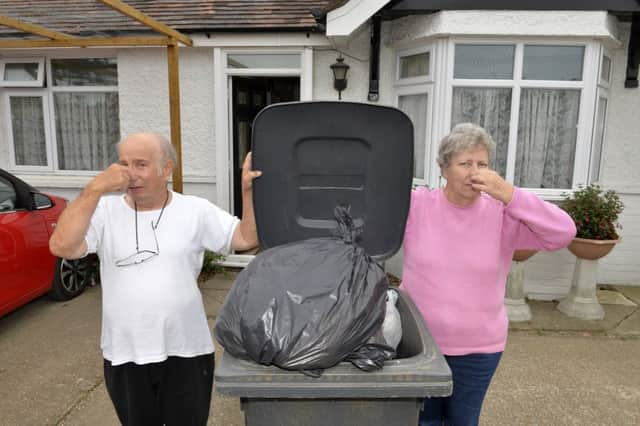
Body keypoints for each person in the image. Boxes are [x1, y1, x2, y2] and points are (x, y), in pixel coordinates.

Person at [49, 132, 261, 426]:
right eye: (123, 164)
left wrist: (248, 192)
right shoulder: (104, 212)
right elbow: (62, 247)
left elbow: (246, 238)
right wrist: (94, 189)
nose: (129, 174)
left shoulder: (195, 210)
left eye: (141, 164)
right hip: (125, 352)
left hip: (186, 350)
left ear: (166, 169)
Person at [400, 123, 576, 426]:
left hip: (478, 349)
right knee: (421, 423)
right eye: (464, 163)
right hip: (420, 346)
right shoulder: (417, 205)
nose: (474, 172)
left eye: (482, 164)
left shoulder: (503, 214)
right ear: (444, 169)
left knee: (463, 422)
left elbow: (563, 232)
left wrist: (510, 194)